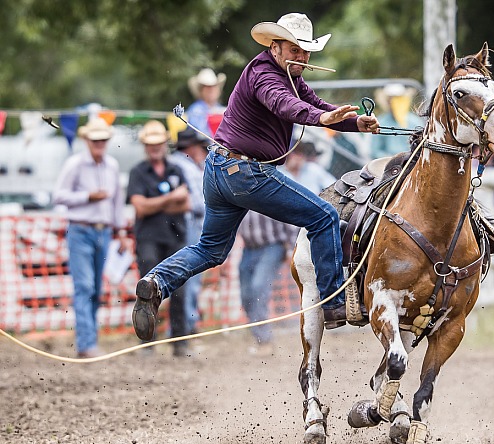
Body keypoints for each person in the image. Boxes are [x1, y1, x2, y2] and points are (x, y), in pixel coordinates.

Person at [131, 12, 379, 342]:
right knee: (324, 216)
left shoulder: (287, 75)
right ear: (275, 47)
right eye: (295, 49)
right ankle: (333, 304)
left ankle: (157, 282)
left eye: (306, 51)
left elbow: (312, 104)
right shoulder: (265, 75)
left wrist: (352, 123)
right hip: (244, 173)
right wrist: (322, 115)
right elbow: (287, 106)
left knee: (211, 250)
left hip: (220, 170)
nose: (302, 57)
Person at [53, 118, 128, 358]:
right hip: (80, 229)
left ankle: (89, 340)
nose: (99, 143)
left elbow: (117, 203)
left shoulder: (112, 166)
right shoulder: (75, 164)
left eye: (103, 140)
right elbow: (58, 196)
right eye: (95, 139)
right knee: (84, 285)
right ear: (87, 140)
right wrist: (88, 197)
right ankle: (86, 343)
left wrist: (122, 231)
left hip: (103, 232)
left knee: (95, 287)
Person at [127, 120, 191, 357]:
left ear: (165, 144)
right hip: (148, 239)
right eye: (150, 144)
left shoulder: (177, 170)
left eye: (158, 143)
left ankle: (179, 341)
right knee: (146, 290)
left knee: (180, 292)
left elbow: (186, 203)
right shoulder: (138, 172)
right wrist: (171, 199)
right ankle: (147, 342)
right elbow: (140, 207)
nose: (155, 147)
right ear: (145, 146)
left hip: (175, 236)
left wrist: (155, 203)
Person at [238, 212, 299, 356]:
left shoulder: (266, 190)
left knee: (258, 288)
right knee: (246, 294)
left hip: (273, 246)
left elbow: (288, 218)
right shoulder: (235, 194)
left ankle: (264, 341)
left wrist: (291, 248)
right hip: (248, 248)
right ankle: (259, 336)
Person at [169, 126, 209, 333]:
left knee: (190, 276)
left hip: (193, 221)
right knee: (189, 276)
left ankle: (187, 323)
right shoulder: (181, 165)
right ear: (191, 147)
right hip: (187, 222)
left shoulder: (187, 165)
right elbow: (194, 200)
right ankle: (186, 325)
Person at [370, 82, 424, 159]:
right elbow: (375, 151)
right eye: (392, 99)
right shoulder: (380, 122)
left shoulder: (415, 122)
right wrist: (392, 159)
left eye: (399, 99)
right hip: (387, 164)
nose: (395, 102)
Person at [186, 68, 227, 138]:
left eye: (214, 86)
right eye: (207, 87)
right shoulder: (195, 110)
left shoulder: (223, 109)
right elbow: (199, 133)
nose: (211, 90)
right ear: (201, 91)